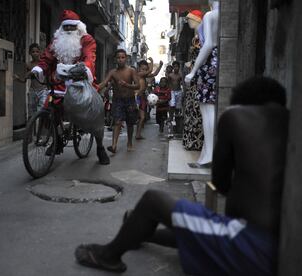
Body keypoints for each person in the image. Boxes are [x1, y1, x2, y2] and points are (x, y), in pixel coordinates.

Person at [74, 76, 288, 275]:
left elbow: (221, 184)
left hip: (255, 249)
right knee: (204, 226)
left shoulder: (236, 116)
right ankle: (141, 230)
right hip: (278, 246)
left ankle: (109, 255)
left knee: (153, 201)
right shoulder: (291, 122)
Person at [30, 10, 110, 165]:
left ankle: (100, 147)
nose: (68, 31)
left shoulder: (87, 40)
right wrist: (38, 69)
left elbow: (89, 57)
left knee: (95, 114)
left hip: (81, 84)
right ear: (62, 29)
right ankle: (58, 139)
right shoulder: (56, 41)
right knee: (48, 109)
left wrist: (84, 68)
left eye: (71, 28)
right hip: (59, 84)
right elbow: (46, 58)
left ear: (78, 28)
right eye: (65, 28)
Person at [185, 0, 219, 167]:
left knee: (207, 110)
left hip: (209, 62)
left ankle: (209, 155)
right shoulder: (224, 16)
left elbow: (209, 44)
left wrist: (193, 71)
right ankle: (207, 152)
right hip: (218, 61)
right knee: (210, 108)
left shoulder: (210, 15)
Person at [98, 49, 140, 153]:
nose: (120, 59)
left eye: (122, 57)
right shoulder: (112, 72)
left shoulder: (131, 71)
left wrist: (127, 85)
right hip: (117, 100)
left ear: (126, 58)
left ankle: (129, 142)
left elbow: (138, 85)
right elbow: (104, 82)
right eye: (118, 58)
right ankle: (114, 145)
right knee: (117, 122)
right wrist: (94, 88)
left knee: (130, 123)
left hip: (130, 100)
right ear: (115, 59)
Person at [182, 10, 205, 151]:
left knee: (196, 109)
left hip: (198, 78)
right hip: (193, 77)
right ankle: (191, 141)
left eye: (191, 19)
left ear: (197, 20)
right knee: (191, 108)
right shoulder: (195, 38)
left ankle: (197, 142)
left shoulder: (201, 38)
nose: (189, 22)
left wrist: (193, 65)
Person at [14, 43, 48, 117]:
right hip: (32, 90)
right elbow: (25, 80)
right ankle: (32, 128)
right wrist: (18, 79)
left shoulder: (43, 63)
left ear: (40, 53)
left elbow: (47, 76)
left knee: (42, 113)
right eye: (33, 52)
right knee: (31, 114)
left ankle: (41, 128)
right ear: (30, 53)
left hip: (43, 90)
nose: (35, 53)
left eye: (37, 51)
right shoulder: (28, 64)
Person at [135, 58, 163, 140]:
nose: (144, 71)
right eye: (142, 69)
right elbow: (151, 71)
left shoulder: (144, 76)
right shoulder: (139, 74)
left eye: (145, 69)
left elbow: (155, 74)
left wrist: (160, 66)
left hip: (142, 97)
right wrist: (152, 62)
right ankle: (137, 133)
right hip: (137, 97)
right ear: (139, 68)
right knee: (139, 117)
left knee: (142, 118)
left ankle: (138, 134)